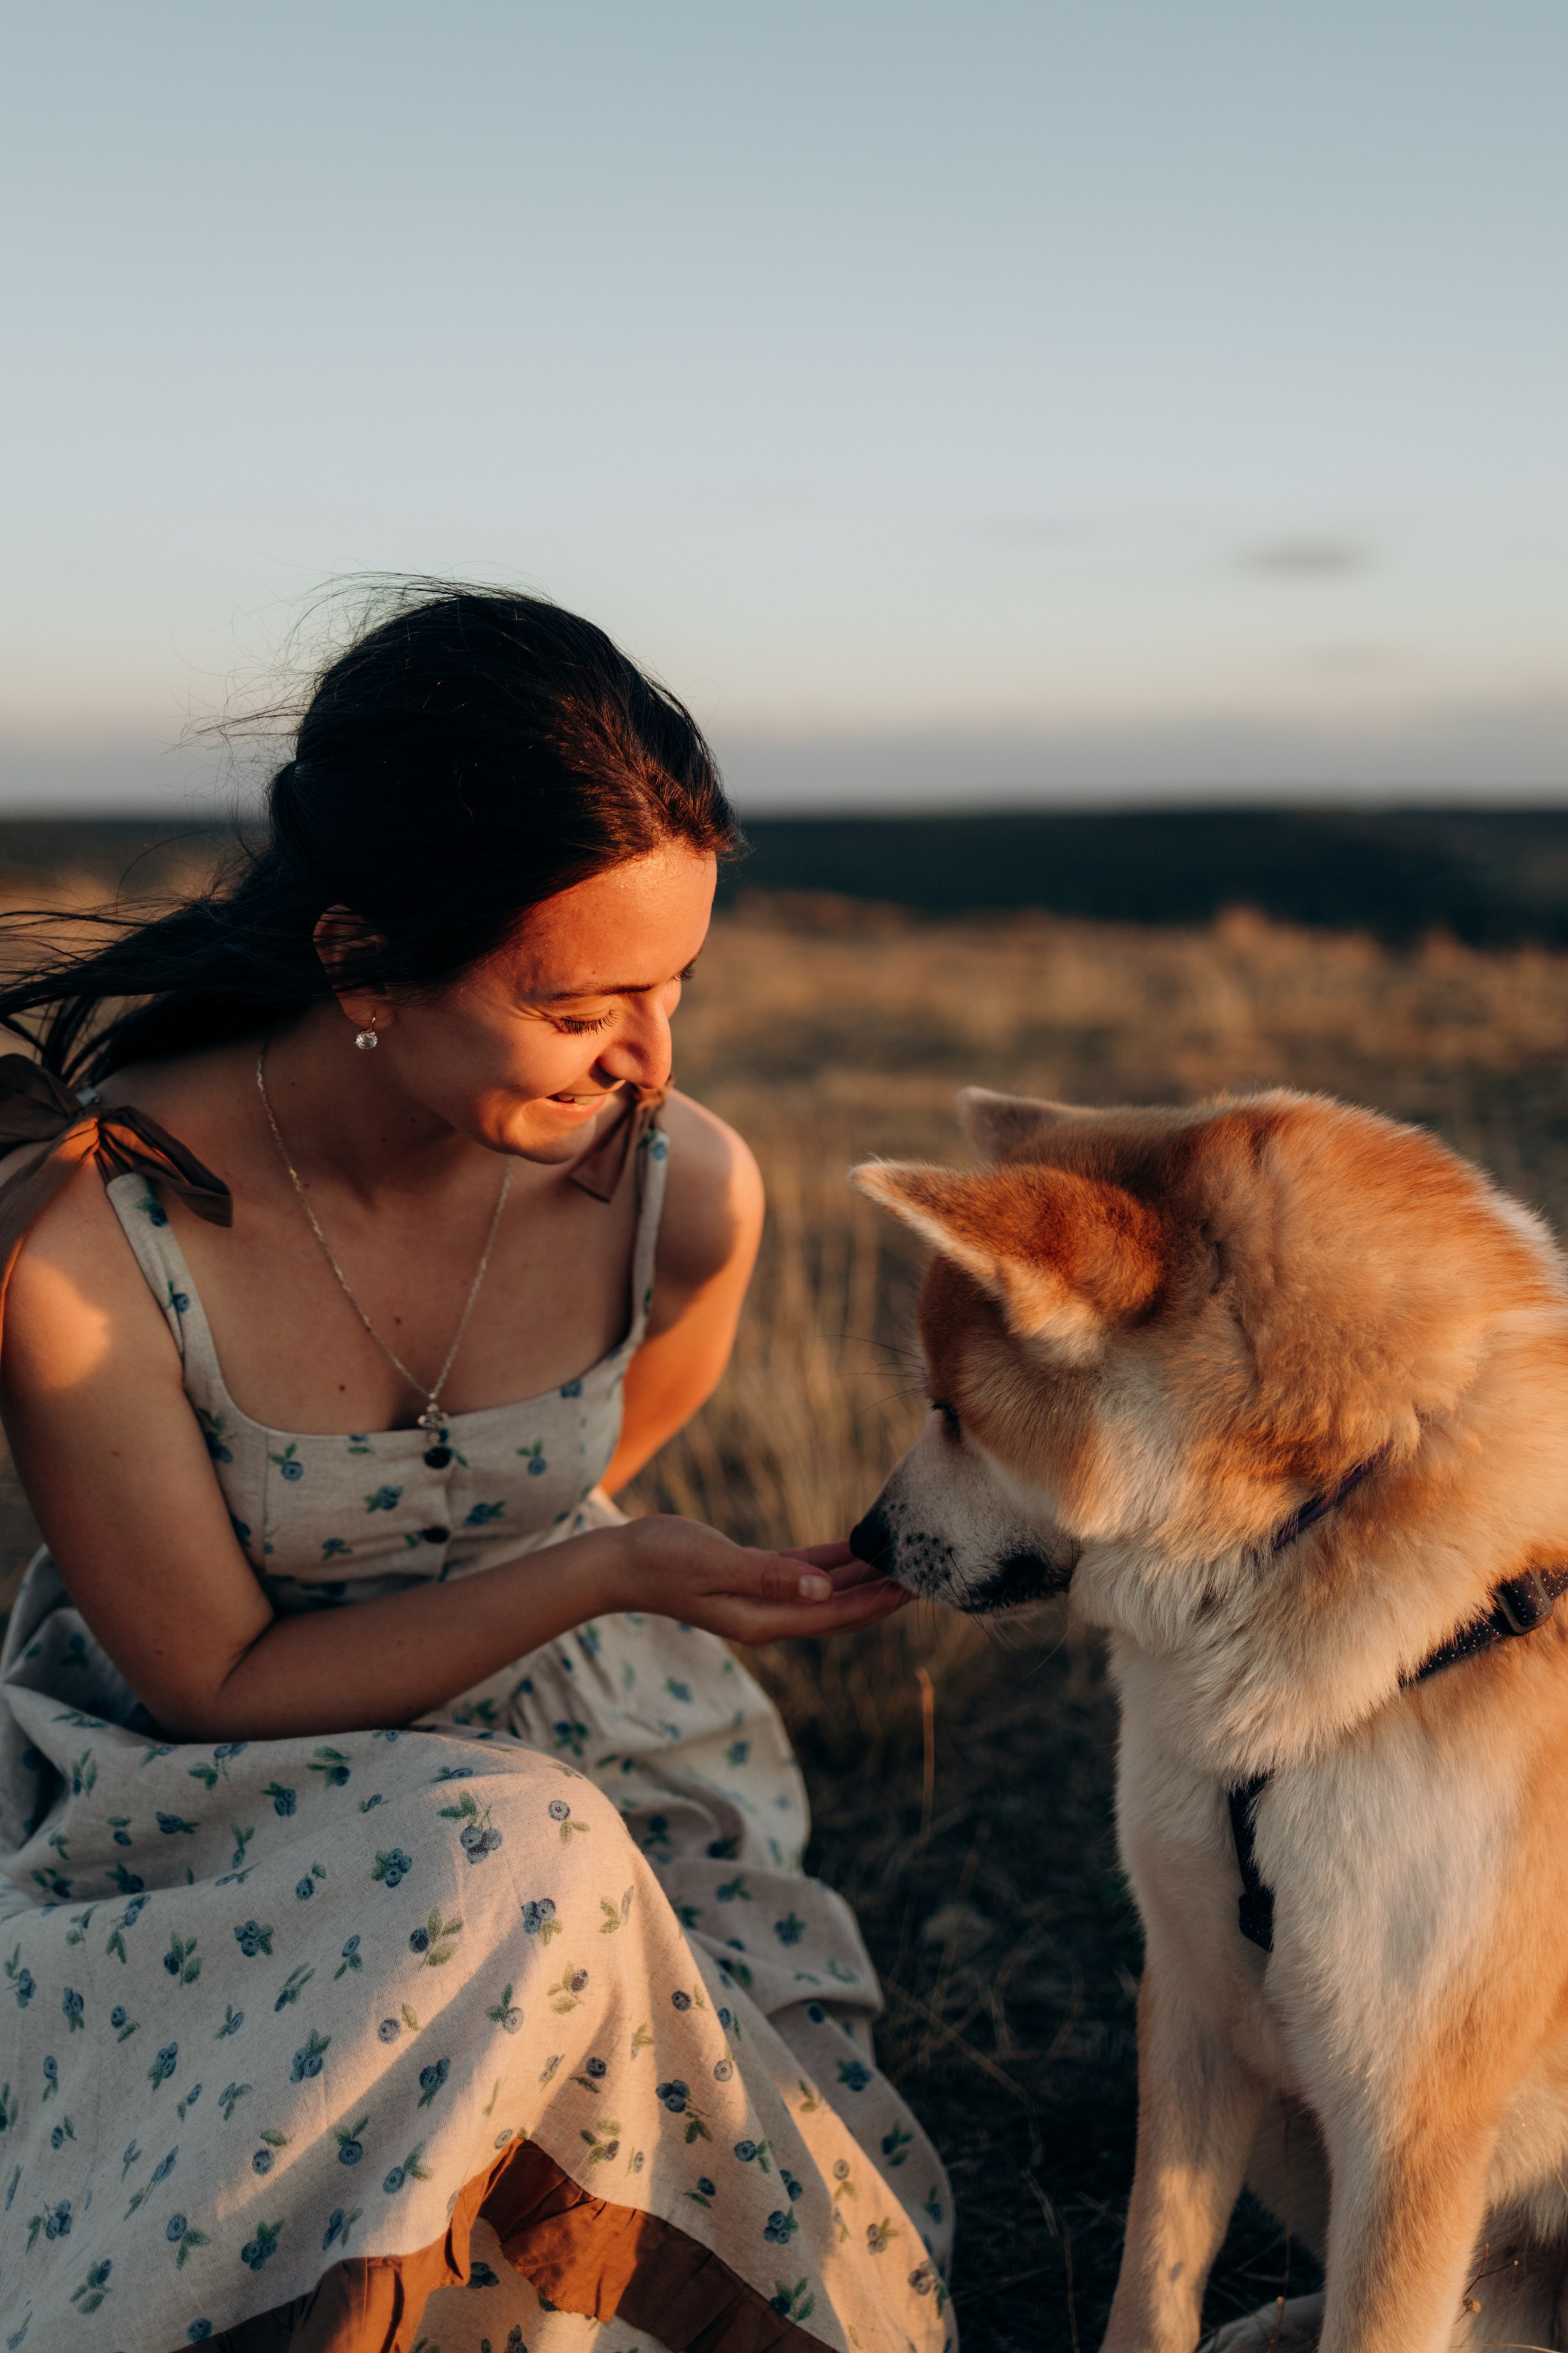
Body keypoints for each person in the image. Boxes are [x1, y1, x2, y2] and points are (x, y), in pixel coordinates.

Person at [0, 589, 954, 2353]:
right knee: (519, 1858)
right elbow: (213, 1680)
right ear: (366, 965)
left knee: (564, 1865)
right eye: (587, 999)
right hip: (224, 1804)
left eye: (678, 985)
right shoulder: (89, 1253)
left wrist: (603, 1571)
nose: (653, 1060)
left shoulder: (681, 1197)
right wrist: (612, 1568)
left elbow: (565, 1477)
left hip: (590, 1747)